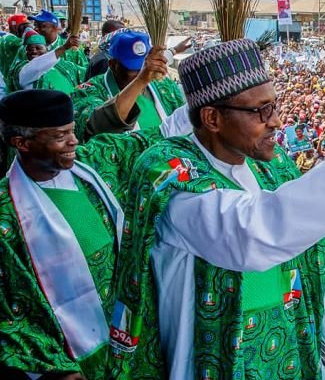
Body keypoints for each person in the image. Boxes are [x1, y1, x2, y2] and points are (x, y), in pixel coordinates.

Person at [108, 39, 325, 379]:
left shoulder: (268, 165)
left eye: (274, 106)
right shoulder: (171, 174)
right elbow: (258, 233)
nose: (275, 121)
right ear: (212, 118)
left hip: (286, 349)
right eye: (260, 111)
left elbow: (300, 246)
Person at [0, 84, 188, 378]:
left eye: (72, 131)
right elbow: (11, 309)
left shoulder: (95, 163)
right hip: (75, 358)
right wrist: (53, 369)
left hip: (135, 332)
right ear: (22, 143)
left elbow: (158, 135)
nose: (74, 141)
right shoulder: (6, 214)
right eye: (61, 136)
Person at [71, 29, 186, 141]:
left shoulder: (164, 86)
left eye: (145, 66)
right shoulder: (88, 91)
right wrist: (140, 81)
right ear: (113, 64)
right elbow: (94, 127)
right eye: (135, 69)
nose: (144, 72)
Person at [8, 30, 84, 94]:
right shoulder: (22, 69)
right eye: (30, 49)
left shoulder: (64, 66)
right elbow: (36, 67)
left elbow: (86, 73)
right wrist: (64, 47)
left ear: (47, 50)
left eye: (38, 48)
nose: (34, 51)